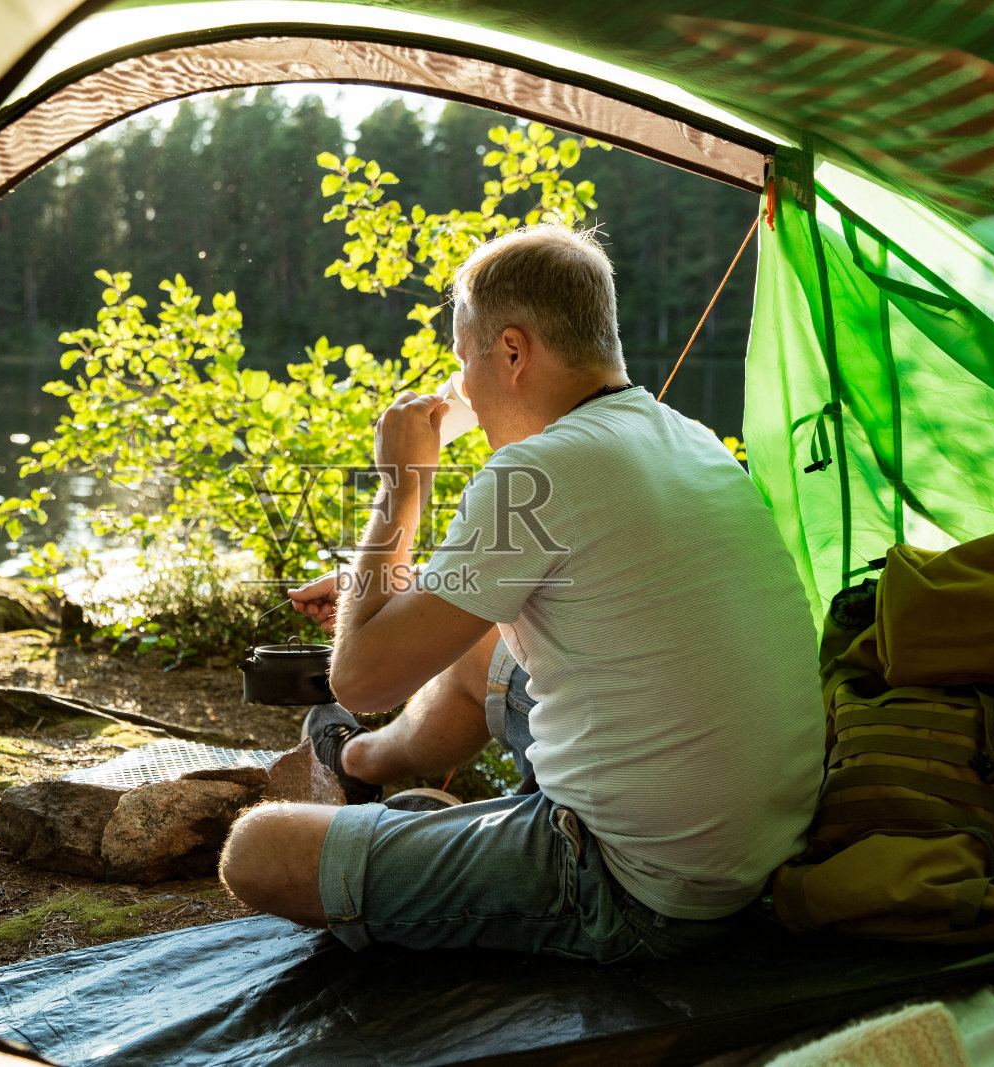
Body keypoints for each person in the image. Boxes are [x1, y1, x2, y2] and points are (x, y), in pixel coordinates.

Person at [218, 223, 823, 962]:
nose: (461, 390)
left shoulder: (536, 473)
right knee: (480, 647)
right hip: (755, 854)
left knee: (258, 849)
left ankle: (423, 835)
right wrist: (379, 588)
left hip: (643, 888)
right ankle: (358, 765)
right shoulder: (686, 437)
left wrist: (402, 484)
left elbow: (361, 678)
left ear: (511, 351)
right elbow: (550, 573)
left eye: (461, 360)